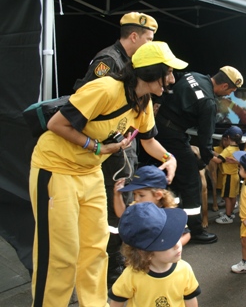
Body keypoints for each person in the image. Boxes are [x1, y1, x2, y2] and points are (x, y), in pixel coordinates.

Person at [29, 41, 186, 306]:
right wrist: (99, 147)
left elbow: (148, 140)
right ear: (150, 71)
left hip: (89, 172)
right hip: (55, 169)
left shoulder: (143, 102)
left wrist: (169, 158)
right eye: (168, 72)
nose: (171, 79)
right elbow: (57, 124)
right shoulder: (104, 88)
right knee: (60, 255)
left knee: (95, 249)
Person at [72, 12, 159, 285]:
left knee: (122, 201)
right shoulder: (109, 62)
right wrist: (102, 145)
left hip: (122, 145)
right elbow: (88, 108)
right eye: (149, 38)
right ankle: (110, 264)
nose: (152, 44)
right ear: (134, 36)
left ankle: (117, 258)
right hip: (109, 148)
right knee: (114, 204)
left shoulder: (130, 62)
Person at [152, 66, 244, 244]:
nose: (228, 95)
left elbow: (170, 83)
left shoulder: (193, 75)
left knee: (174, 181)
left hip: (159, 130)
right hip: (173, 136)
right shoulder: (208, 102)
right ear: (224, 86)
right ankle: (195, 230)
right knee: (192, 182)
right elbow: (205, 138)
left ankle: (173, 223)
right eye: (231, 91)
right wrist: (208, 159)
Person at [109, 202, 200, 306]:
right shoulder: (132, 275)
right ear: (146, 253)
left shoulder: (185, 270)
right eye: (167, 243)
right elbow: (117, 300)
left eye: (175, 237)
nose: (177, 245)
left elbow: (190, 299)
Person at [112, 165, 191, 246]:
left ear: (158, 195)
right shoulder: (136, 207)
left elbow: (186, 234)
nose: (136, 198)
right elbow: (122, 214)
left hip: (163, 255)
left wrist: (170, 247)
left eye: (141, 195)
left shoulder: (170, 212)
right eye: (134, 194)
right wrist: (117, 195)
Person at [212, 126, 242, 224]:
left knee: (226, 197)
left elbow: (218, 160)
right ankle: (231, 212)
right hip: (235, 175)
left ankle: (228, 216)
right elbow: (222, 157)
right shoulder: (237, 148)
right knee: (233, 196)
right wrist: (214, 153)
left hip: (228, 176)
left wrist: (207, 154)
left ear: (228, 137)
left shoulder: (228, 149)